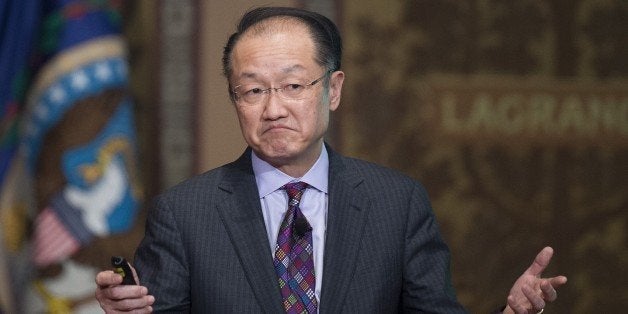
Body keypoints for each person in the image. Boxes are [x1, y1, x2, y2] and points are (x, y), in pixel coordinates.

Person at [95, 6, 567, 313]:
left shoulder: (395, 203)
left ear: (333, 89)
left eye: (294, 85)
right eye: (253, 90)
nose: (273, 107)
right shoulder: (184, 213)